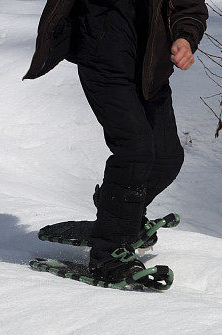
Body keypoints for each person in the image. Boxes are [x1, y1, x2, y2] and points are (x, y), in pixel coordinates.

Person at [24, 0, 208, 286]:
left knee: (167, 158)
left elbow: (190, 6)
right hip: (102, 60)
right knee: (135, 151)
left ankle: (122, 216)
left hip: (149, 67)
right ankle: (107, 255)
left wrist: (185, 37)